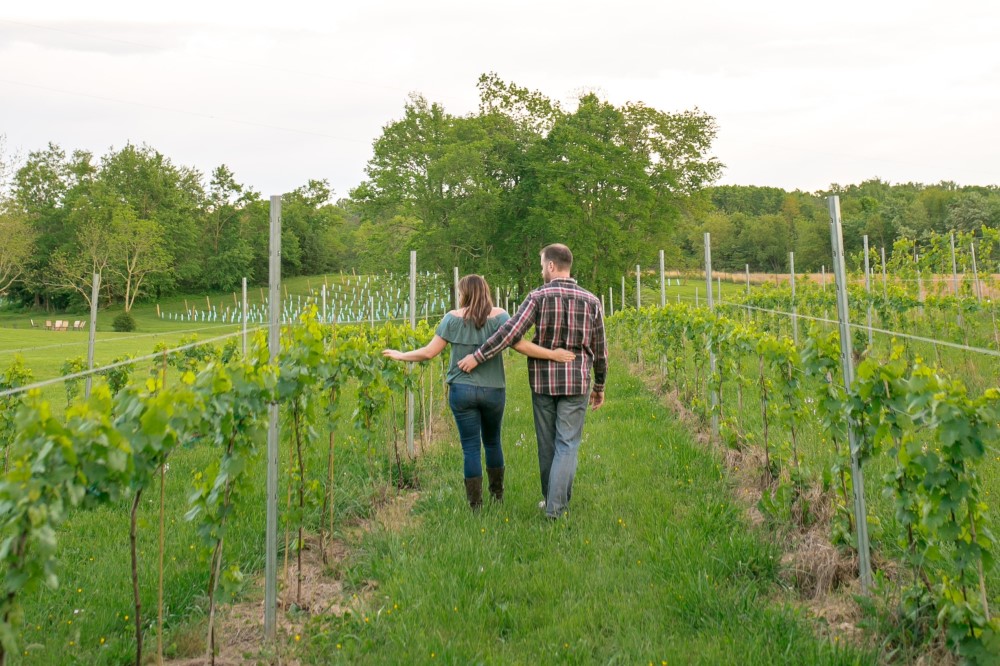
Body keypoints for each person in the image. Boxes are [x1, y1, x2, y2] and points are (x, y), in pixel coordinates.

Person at [383, 274, 574, 511]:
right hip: (493, 391)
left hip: (461, 390)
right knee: (493, 442)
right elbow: (521, 346)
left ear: (464, 293)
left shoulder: (451, 319)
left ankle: (475, 505)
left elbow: (428, 353)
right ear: (485, 291)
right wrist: (553, 354)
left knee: (470, 447)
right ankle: (497, 495)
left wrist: (401, 355)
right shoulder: (501, 316)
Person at [457, 244, 607, 520]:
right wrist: (599, 385)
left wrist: (478, 356)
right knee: (567, 444)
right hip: (577, 382)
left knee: (548, 444)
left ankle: (553, 504)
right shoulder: (592, 301)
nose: (541, 270)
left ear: (551, 265)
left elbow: (510, 332)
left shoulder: (538, 296)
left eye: (541, 264)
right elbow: (600, 348)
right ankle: (555, 504)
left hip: (543, 383)